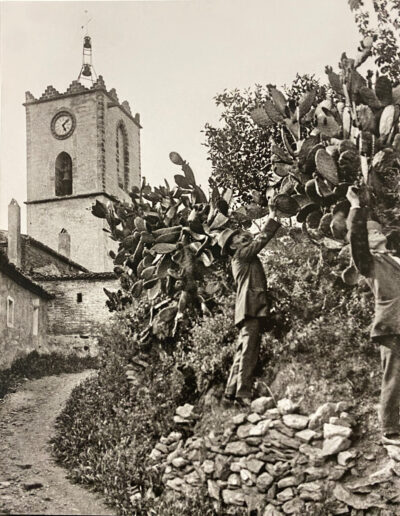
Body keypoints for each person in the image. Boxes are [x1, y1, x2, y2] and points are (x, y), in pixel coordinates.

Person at [346, 186, 400, 445]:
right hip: (391, 325)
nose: (376, 233)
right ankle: (390, 430)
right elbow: (355, 237)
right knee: (394, 374)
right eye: (371, 232)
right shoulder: (369, 262)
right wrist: (355, 206)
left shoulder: (395, 259)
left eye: (379, 230)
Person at [217, 207, 281, 407]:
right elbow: (261, 240)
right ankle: (243, 394)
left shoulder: (242, 257)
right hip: (250, 307)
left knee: (242, 350)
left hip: (247, 308)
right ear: (232, 246)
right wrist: (272, 217)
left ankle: (230, 393)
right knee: (249, 351)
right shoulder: (242, 255)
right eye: (235, 238)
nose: (239, 237)